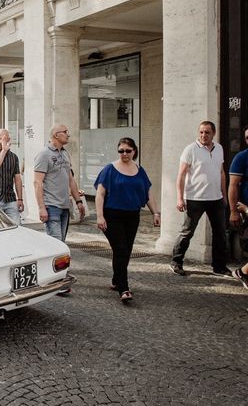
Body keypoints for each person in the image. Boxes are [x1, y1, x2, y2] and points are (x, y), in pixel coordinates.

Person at [94, 137, 161, 302]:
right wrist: (100, 216)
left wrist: (156, 213)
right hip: (112, 215)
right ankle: (124, 288)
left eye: (127, 151)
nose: (124, 154)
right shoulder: (109, 169)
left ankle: (117, 280)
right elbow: (100, 194)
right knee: (121, 249)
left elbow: (148, 194)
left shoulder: (140, 170)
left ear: (134, 151)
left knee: (126, 250)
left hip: (132, 215)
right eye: (121, 151)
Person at [171, 120, 230, 276]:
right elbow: (181, 175)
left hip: (215, 199)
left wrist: (224, 195)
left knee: (220, 233)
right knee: (187, 232)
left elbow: (221, 173)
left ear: (213, 133)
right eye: (201, 132)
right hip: (194, 198)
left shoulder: (219, 149)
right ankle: (176, 262)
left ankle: (219, 266)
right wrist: (179, 198)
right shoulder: (190, 149)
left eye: (207, 132)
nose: (204, 135)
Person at [33, 124, 85, 242]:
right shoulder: (44, 155)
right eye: (65, 132)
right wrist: (41, 208)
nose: (68, 134)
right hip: (51, 207)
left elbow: (71, 180)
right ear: (56, 135)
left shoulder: (65, 154)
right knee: (56, 245)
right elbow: (37, 182)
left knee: (61, 245)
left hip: (65, 207)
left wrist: (79, 201)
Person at [227, 125, 248, 288]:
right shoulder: (241, 158)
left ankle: (243, 272)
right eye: (247, 138)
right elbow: (233, 185)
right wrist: (234, 210)